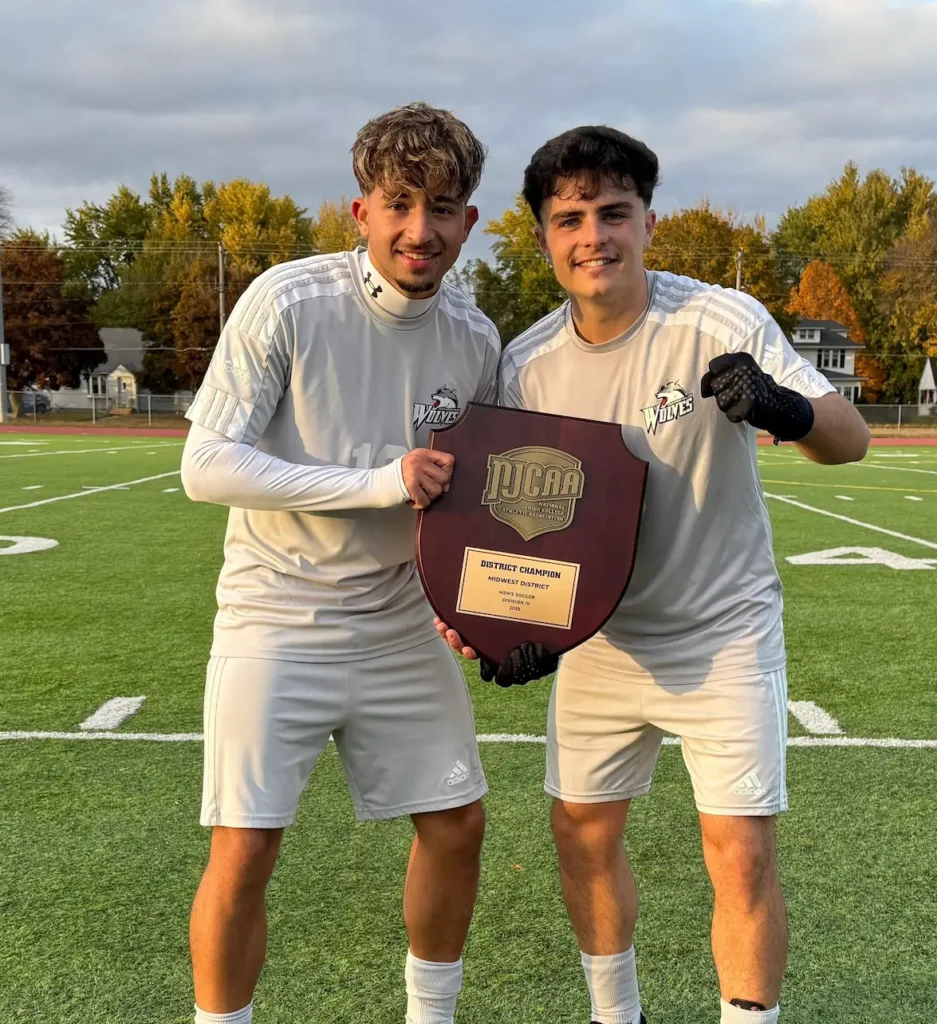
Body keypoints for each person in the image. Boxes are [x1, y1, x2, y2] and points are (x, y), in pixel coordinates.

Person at [438, 126, 870, 1024]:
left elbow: (848, 439)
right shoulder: (524, 365)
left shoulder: (720, 319)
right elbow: (514, 529)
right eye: (570, 219)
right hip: (603, 639)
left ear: (647, 222)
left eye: (612, 213)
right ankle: (614, 1014)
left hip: (721, 629)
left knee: (740, 851)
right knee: (580, 836)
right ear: (543, 236)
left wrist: (785, 408)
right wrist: (519, 634)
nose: (592, 236)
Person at [181, 101, 500, 1024]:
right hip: (275, 616)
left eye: (442, 207)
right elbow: (207, 467)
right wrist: (379, 484)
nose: (419, 229)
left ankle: (428, 1017)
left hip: (400, 620)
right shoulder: (287, 300)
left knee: (457, 824)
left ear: (468, 222)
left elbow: (471, 499)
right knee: (244, 849)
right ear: (359, 211)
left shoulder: (473, 339)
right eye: (398, 203)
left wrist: (478, 607)